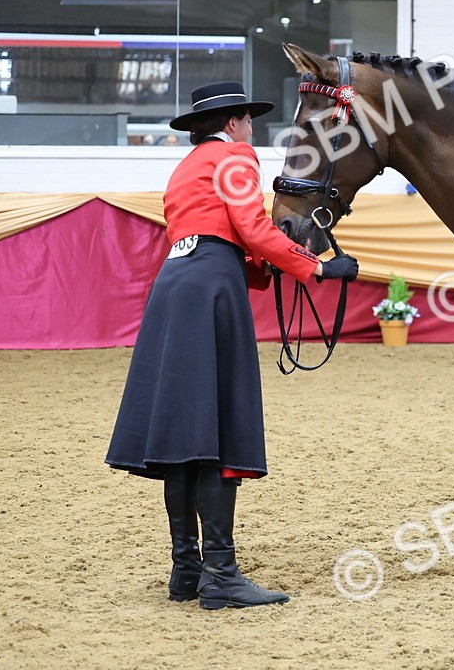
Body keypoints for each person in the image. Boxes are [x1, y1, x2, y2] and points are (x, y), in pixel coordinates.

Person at [105, 81, 360, 609]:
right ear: (234, 122)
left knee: (184, 429)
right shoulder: (236, 157)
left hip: (174, 286)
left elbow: (209, 234)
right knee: (218, 424)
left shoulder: (185, 166)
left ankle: (187, 570)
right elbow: (251, 225)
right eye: (248, 119)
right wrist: (318, 267)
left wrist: (264, 264)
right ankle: (221, 575)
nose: (252, 128)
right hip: (211, 292)